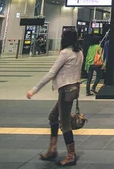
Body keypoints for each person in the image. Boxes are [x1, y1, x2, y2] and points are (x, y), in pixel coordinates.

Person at [27, 29, 83, 166]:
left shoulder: (65, 53)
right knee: (53, 117)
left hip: (66, 90)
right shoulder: (79, 52)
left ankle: (71, 155)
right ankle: (52, 149)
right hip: (73, 88)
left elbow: (52, 73)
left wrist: (34, 89)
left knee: (65, 124)